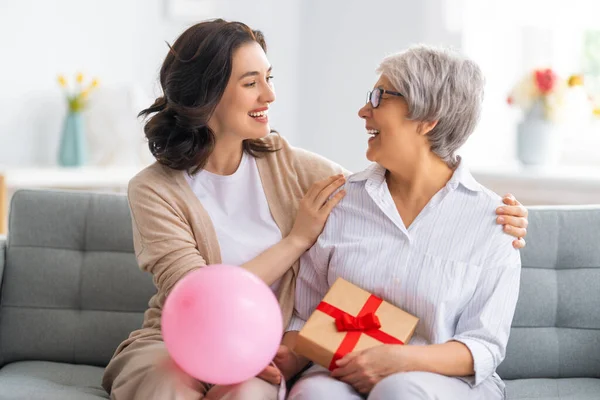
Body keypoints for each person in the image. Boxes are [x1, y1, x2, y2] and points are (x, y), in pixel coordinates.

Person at [102, 20, 529, 400]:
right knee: (167, 386)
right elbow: (200, 300)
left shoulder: (297, 169)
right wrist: (297, 240)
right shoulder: (154, 190)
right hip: (182, 339)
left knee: (249, 393)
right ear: (208, 94)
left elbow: (389, 194)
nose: (270, 94)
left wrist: (502, 216)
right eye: (251, 82)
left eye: (268, 78)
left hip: (265, 350)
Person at [284, 45, 522, 400]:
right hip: (339, 372)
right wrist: (275, 364)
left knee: (400, 389)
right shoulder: (339, 202)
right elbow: (307, 316)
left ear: (429, 118)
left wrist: (400, 359)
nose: (364, 110)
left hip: (446, 382)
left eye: (380, 97)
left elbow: (484, 346)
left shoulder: (493, 221)